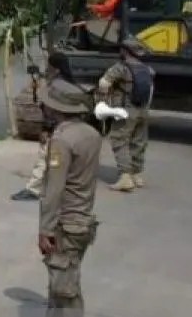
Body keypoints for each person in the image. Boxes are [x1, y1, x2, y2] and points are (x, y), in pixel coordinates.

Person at [37, 80, 100, 314]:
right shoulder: (91, 134)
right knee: (62, 284)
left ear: (55, 108)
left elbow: (54, 189)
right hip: (84, 220)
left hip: (66, 224)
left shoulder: (62, 140)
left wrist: (45, 229)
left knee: (66, 292)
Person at [11, 52, 72, 202]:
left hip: (55, 129)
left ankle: (33, 189)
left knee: (44, 159)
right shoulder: (70, 84)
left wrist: (46, 129)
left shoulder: (54, 86)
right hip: (70, 128)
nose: (48, 68)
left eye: (50, 65)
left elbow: (50, 110)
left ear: (55, 68)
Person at [97, 36, 153, 191]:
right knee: (139, 141)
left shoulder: (121, 67)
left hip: (125, 111)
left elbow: (104, 83)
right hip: (143, 109)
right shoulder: (147, 68)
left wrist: (103, 100)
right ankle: (136, 175)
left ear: (125, 51)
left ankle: (125, 177)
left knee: (119, 140)